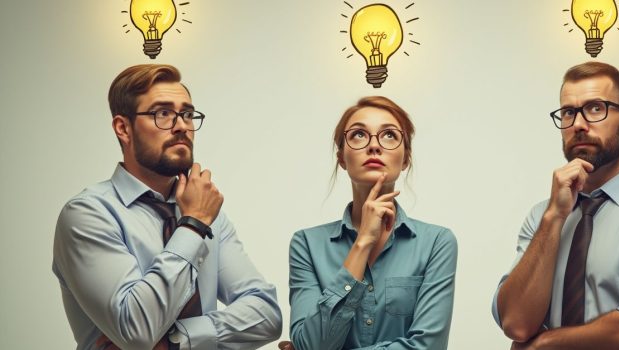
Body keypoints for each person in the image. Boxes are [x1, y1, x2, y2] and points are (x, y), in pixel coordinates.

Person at [52, 64, 282, 349]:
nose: (182, 125)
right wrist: (193, 225)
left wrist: (179, 339)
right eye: (163, 113)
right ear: (123, 128)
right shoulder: (88, 214)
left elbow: (267, 314)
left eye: (186, 114)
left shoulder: (210, 214)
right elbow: (136, 330)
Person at [492, 61, 619, 350]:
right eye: (568, 112)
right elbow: (515, 322)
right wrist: (555, 217)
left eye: (595, 108)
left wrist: (542, 345)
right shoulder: (543, 215)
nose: (578, 124)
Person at [280, 96, 458, 350]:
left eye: (388, 135)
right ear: (341, 157)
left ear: (405, 158)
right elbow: (311, 344)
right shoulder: (306, 244)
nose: (374, 146)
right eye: (359, 135)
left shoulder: (437, 243)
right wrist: (362, 242)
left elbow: (428, 346)